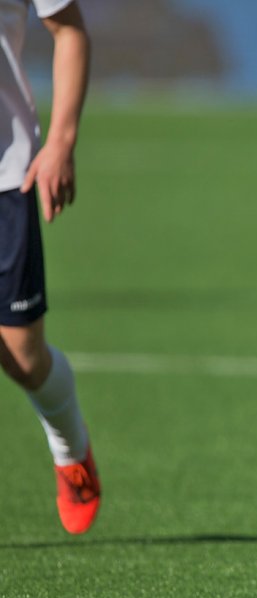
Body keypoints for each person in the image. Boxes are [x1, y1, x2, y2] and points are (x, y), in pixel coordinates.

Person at [0, 0, 97, 535]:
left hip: (5, 175)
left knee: (22, 356)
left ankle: (69, 445)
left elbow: (69, 31)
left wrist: (60, 140)